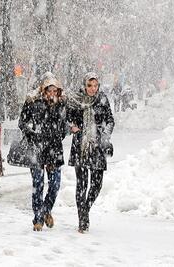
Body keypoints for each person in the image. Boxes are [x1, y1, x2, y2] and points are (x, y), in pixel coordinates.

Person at [67, 72, 114, 233]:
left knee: (97, 185)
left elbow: (110, 120)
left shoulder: (102, 100)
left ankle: (85, 209)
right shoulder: (76, 100)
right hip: (80, 146)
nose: (93, 89)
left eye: (95, 85)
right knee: (82, 185)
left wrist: (105, 135)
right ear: (84, 85)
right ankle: (83, 221)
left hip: (97, 146)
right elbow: (66, 118)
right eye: (89, 85)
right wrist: (71, 127)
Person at [18, 76, 67, 231]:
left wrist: (61, 133)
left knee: (55, 185)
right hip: (37, 149)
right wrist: (32, 134)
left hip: (55, 150)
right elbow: (22, 122)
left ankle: (46, 210)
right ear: (43, 90)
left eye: (55, 91)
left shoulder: (62, 104)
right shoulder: (33, 102)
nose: (52, 93)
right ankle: (38, 219)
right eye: (49, 90)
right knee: (38, 185)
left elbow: (65, 124)